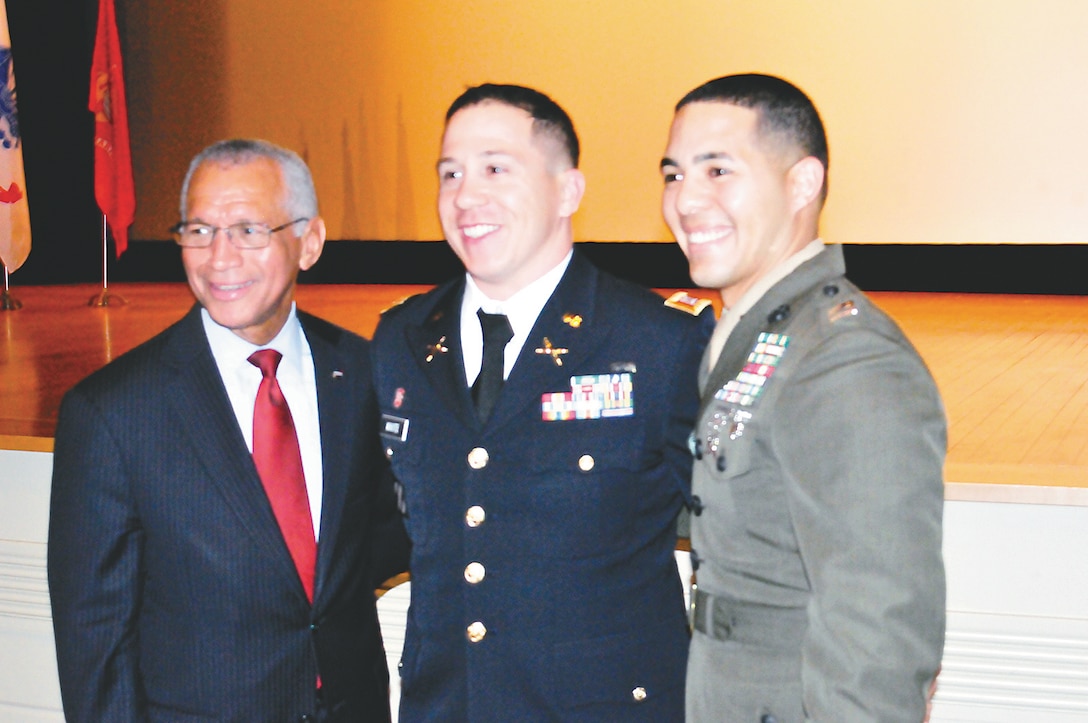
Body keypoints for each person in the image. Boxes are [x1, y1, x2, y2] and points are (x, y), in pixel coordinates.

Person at [371, 83, 711, 720]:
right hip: (448, 706)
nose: (466, 195)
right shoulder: (402, 339)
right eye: (451, 173)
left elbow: (735, 543)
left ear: (568, 191)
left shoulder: (658, 342)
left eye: (496, 168)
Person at [47, 139, 409, 722]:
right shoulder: (113, 413)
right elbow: (95, 639)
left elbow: (376, 537)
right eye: (198, 230)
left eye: (247, 230)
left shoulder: (365, 376)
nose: (218, 257)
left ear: (309, 242)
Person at [660, 73, 946, 722]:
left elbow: (879, 622)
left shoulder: (845, 358)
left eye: (717, 171)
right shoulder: (753, 335)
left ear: (802, 183)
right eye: (674, 174)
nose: (685, 200)